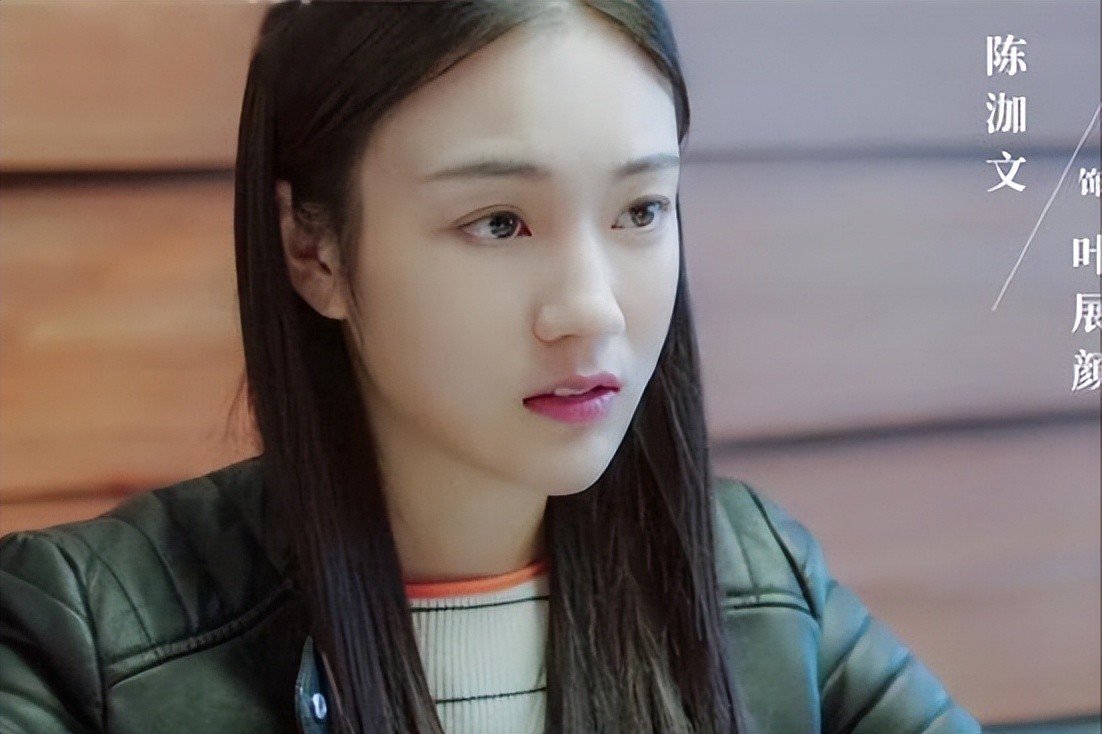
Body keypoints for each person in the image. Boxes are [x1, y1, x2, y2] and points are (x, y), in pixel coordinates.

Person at [0, 1, 982, 732]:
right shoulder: (87, 640)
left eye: (641, 210)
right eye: (500, 221)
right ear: (314, 249)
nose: (592, 306)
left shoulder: (755, 581)